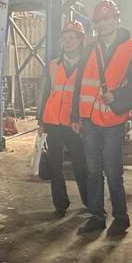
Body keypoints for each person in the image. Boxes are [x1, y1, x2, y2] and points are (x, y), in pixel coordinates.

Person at [76, 0, 132, 236]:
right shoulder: (89, 47)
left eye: (106, 19)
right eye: (98, 20)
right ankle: (96, 216)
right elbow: (79, 83)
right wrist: (76, 114)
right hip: (89, 119)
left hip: (113, 120)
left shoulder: (131, 47)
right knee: (93, 171)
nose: (102, 24)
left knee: (114, 172)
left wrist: (117, 96)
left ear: (116, 19)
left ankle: (121, 218)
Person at [38, 21, 91, 217]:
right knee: (54, 166)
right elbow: (46, 92)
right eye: (65, 38)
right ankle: (60, 204)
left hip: (74, 123)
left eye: (72, 38)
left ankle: (89, 200)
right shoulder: (53, 65)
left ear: (80, 41)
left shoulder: (87, 65)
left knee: (80, 165)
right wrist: (41, 121)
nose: (67, 42)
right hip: (53, 121)